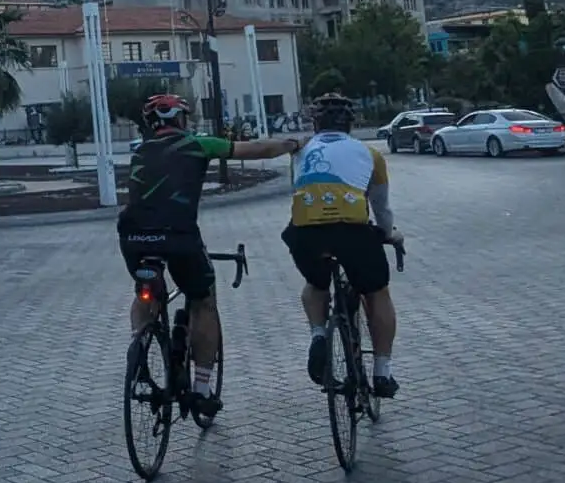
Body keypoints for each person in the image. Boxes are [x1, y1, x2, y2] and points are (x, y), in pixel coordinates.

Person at [118, 92, 300, 415]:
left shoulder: (139, 150)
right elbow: (254, 149)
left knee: (146, 292)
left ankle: (140, 345)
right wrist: (290, 145)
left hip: (132, 236)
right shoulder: (197, 144)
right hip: (178, 235)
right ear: (181, 119)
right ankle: (202, 390)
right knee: (203, 300)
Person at [282, 92, 405, 397]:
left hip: (306, 232)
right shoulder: (370, 154)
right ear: (351, 123)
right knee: (377, 293)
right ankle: (382, 373)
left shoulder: (300, 151)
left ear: (316, 123)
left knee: (315, 283)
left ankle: (319, 334)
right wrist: (390, 233)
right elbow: (381, 207)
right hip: (351, 231)